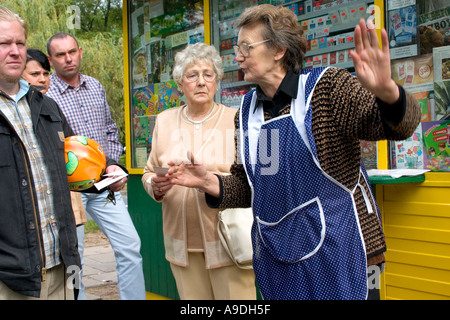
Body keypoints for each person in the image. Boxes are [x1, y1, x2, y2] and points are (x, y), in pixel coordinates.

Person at [167, 5, 421, 300]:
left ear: (278, 50)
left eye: (246, 47)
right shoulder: (248, 112)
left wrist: (388, 92)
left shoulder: (326, 89)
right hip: (282, 257)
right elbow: (258, 185)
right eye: (238, 48)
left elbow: (396, 127)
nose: (237, 57)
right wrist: (207, 181)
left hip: (347, 252)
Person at [0, 6, 125, 300]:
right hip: (10, 277)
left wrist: (107, 175)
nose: (16, 51)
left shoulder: (46, 106)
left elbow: (74, 170)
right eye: (4, 43)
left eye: (20, 42)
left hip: (62, 268)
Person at [141, 43, 256, 300]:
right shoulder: (164, 120)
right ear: (180, 84)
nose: (201, 82)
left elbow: (253, 179)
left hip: (229, 240)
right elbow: (149, 172)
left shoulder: (237, 119)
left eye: (208, 74)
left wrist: (207, 180)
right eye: (192, 75)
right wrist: (154, 186)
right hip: (181, 243)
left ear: (217, 81)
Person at [46, 33, 146, 300]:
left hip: (103, 187)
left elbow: (111, 132)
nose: (68, 59)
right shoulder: (45, 94)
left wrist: (113, 165)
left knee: (130, 246)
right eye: (60, 55)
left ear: (80, 51)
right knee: (74, 259)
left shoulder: (96, 86)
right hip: (70, 194)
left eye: (71, 52)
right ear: (50, 59)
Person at [22, 48, 87, 228]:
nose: (42, 79)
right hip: (29, 203)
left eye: (46, 73)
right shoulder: (13, 112)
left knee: (73, 249)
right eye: (34, 74)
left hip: (61, 198)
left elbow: (71, 143)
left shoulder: (51, 106)